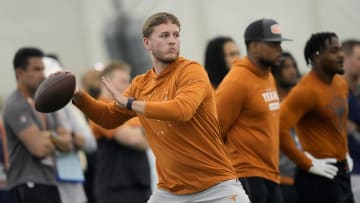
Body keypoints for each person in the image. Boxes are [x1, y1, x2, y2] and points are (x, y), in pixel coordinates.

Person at [72, 12, 249, 203]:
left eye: (176, 35)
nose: (172, 41)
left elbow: (182, 110)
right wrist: (79, 96)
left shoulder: (192, 70)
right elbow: (108, 118)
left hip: (216, 187)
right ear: (146, 43)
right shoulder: (140, 84)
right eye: (164, 36)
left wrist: (131, 103)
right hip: (170, 192)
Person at [216, 18, 291, 203]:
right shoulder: (236, 81)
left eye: (280, 44)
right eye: (273, 44)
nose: (279, 49)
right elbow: (214, 130)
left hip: (271, 173)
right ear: (255, 46)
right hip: (247, 174)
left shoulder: (268, 76)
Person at [279, 32, 354, 203]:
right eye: (334, 50)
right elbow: (279, 128)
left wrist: (345, 152)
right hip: (318, 175)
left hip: (341, 170)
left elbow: (337, 124)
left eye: (341, 49)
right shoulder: (305, 91)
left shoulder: (341, 84)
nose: (341, 55)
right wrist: (307, 163)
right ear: (316, 56)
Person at [3, 47, 73, 203]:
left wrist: (49, 136)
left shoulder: (44, 103)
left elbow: (68, 143)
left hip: (49, 180)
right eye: (36, 69)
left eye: (43, 69)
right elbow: (39, 149)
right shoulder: (16, 105)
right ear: (20, 73)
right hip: (28, 183)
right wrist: (55, 139)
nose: (42, 74)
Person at [89, 61, 151, 203]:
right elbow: (131, 139)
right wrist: (145, 132)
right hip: (116, 189)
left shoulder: (129, 110)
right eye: (123, 81)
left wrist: (140, 132)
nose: (128, 86)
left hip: (139, 184)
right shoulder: (99, 108)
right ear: (108, 81)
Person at [43, 56, 97, 203]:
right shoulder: (35, 109)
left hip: (73, 181)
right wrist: (59, 139)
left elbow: (90, 142)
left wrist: (71, 138)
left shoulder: (69, 107)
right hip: (47, 183)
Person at [271, 51, 301, 203]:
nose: (292, 71)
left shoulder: (302, 98)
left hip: (308, 174)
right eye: (286, 67)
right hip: (284, 179)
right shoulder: (271, 103)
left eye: (293, 66)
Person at [341, 39, 360, 203]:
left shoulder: (356, 92)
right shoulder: (336, 93)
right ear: (345, 59)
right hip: (351, 170)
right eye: (358, 59)